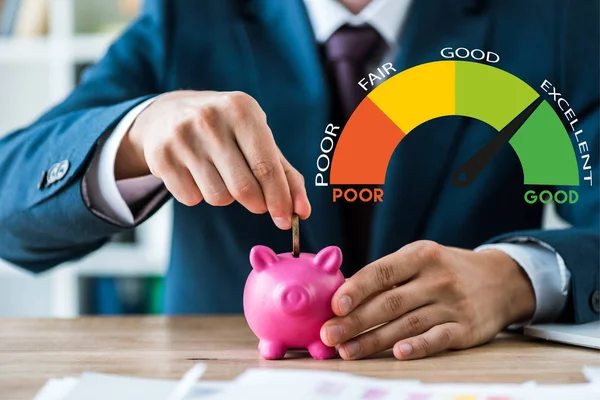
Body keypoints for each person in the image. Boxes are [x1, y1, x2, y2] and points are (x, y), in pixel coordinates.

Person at [0, 0, 598, 361]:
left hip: (465, 373)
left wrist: (516, 279)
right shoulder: (189, 14)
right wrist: (133, 133)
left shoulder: (556, 18)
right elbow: (10, 209)